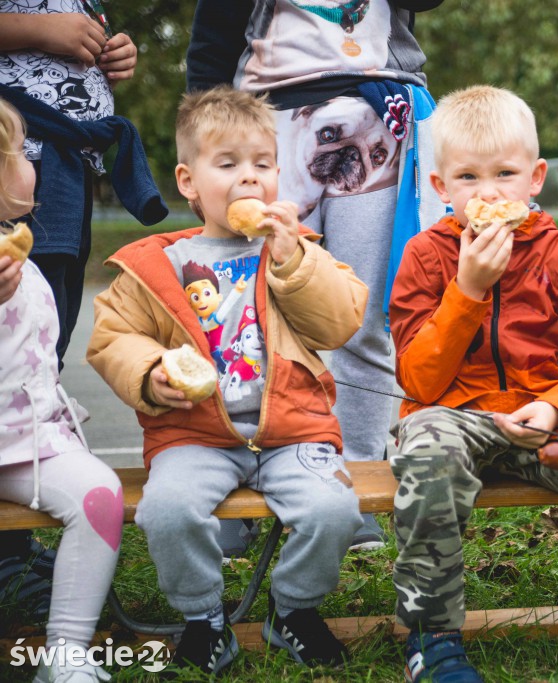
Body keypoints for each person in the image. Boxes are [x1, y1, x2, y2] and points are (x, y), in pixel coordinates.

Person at [86, 86, 369, 677]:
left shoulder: (295, 250)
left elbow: (339, 321)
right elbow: (113, 337)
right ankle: (203, 617)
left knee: (335, 509)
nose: (250, 179)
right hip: (194, 434)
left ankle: (293, 609)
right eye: (229, 164)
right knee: (164, 510)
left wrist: (296, 261)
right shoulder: (156, 263)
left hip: (292, 431)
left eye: (263, 165)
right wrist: (150, 371)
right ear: (188, 182)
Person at [388, 85, 558, 683]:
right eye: (467, 177)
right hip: (455, 415)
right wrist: (468, 290)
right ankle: (432, 637)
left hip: (545, 417)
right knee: (426, 446)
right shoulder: (423, 257)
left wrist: (557, 410)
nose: (487, 193)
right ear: (441, 188)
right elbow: (419, 379)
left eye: (505, 174)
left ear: (535, 177)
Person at [186, 0, 447, 551]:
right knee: (241, 317)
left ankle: (356, 486)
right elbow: (210, 46)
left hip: (377, 114)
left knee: (365, 317)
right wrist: (208, 147)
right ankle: (234, 489)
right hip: (265, 126)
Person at [0, 0, 166, 606]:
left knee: (47, 339)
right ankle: (8, 563)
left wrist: (106, 55)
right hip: (29, 147)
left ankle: (18, 533)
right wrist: (40, 29)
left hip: (62, 165)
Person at [0, 96, 123, 683]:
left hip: (28, 442)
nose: (33, 161)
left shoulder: (22, 257)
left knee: (100, 494)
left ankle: (66, 650)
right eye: (22, 151)